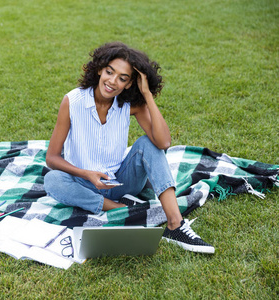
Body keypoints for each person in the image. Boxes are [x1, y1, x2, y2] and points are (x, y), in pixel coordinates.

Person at [44, 42, 214, 254]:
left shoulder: (129, 105)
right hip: (83, 183)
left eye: (122, 78)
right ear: (99, 69)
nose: (112, 81)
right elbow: (51, 157)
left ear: (129, 83)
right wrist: (86, 174)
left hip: (121, 182)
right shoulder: (72, 101)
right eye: (109, 72)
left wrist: (147, 96)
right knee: (52, 180)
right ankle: (120, 209)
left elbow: (163, 143)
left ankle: (175, 225)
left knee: (146, 144)